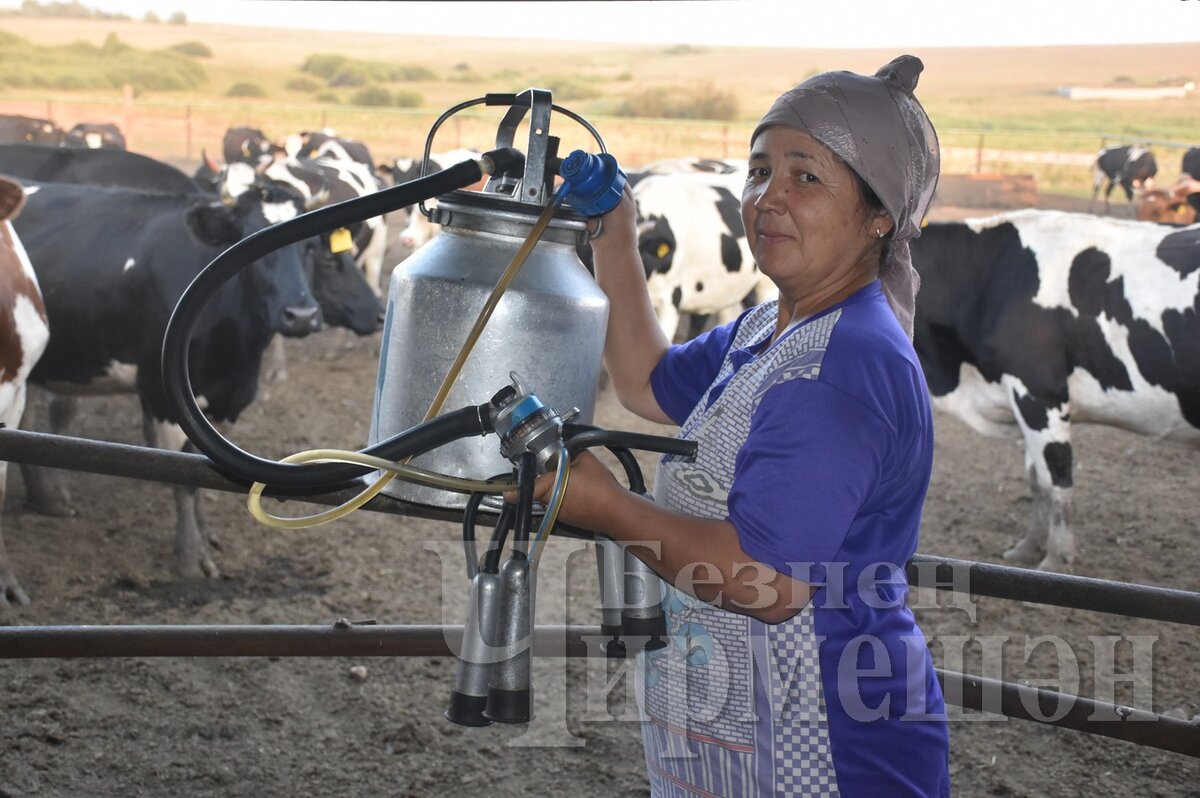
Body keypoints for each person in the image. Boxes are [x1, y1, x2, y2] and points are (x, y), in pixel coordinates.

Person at [537, 55, 949, 796]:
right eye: (758, 170)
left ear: (881, 213)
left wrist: (600, 505)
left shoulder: (843, 366)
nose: (767, 198)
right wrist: (613, 228)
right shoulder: (770, 327)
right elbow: (644, 380)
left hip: (827, 739)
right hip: (742, 720)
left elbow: (765, 582)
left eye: (806, 176)